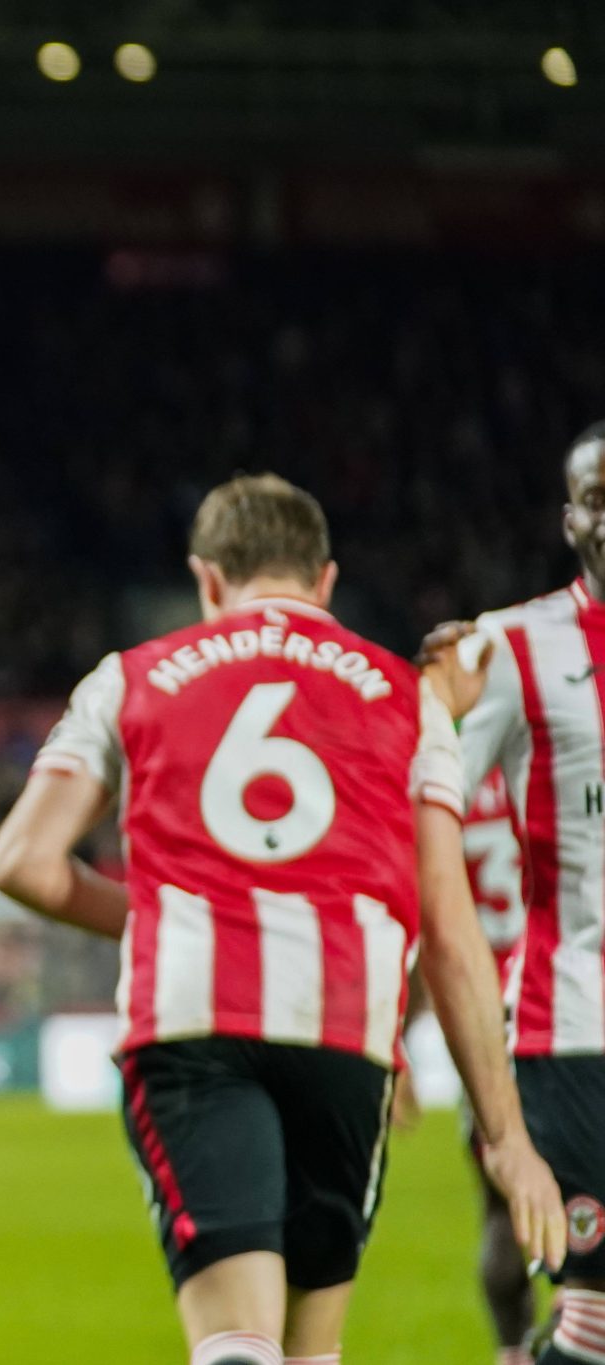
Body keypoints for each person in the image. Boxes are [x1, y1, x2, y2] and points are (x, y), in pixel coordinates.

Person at [0, 474, 564, 1365]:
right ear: (325, 580)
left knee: (236, 1341)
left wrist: (166, 913)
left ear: (207, 578)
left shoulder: (131, 676)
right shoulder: (407, 697)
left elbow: (20, 860)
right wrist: (507, 1136)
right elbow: (450, 934)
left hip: (192, 1020)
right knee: (306, 1352)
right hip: (343, 1029)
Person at [422, 423, 605, 1365]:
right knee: (594, 1317)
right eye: (597, 498)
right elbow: (418, 794)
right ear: (570, 519)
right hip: (573, 1031)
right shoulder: (513, 648)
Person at [458, 773, 539, 1365]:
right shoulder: (566, 756)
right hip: (567, 1004)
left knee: (501, 1207)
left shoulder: (457, 773)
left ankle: (513, 1352)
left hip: (486, 1016)